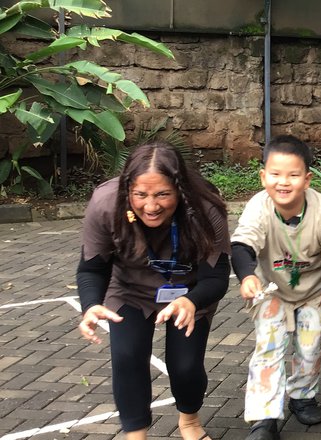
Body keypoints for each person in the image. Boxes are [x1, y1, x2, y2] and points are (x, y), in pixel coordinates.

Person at [76, 142, 230, 440]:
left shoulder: (205, 206)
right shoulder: (106, 203)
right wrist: (91, 304)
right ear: (127, 189)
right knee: (128, 356)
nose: (151, 206)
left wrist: (192, 301)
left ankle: (189, 421)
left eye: (162, 194)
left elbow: (217, 275)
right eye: (140, 195)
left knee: (185, 366)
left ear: (180, 189)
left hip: (188, 293)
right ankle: (135, 435)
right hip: (130, 289)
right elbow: (91, 268)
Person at [231, 135, 321, 440]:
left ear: (307, 179)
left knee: (311, 347)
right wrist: (247, 276)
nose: (283, 182)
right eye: (275, 174)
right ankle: (264, 418)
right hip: (270, 290)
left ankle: (302, 395)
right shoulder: (259, 206)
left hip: (314, 291)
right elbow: (241, 244)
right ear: (263, 176)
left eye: (293, 175)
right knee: (269, 348)